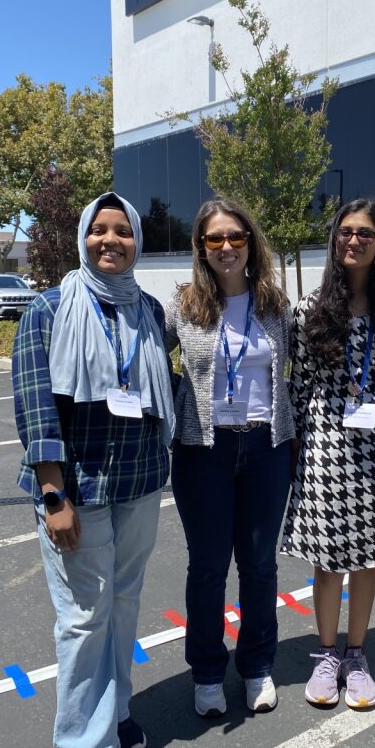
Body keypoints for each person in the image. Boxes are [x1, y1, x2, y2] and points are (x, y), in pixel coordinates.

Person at [12, 192, 175, 748]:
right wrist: (54, 495)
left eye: (122, 232)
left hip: (137, 483)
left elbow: (164, 388)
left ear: (136, 239)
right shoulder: (50, 309)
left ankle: (117, 713)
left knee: (124, 602)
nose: (111, 241)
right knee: (83, 619)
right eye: (99, 231)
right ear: (83, 238)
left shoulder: (150, 311)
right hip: (77, 489)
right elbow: (36, 406)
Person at [282, 199, 375, 710]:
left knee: (366, 559)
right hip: (325, 447)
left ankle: (356, 654)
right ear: (334, 240)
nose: (354, 240)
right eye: (345, 232)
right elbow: (300, 388)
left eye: (365, 233)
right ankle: (325, 653)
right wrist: (297, 450)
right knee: (328, 558)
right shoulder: (309, 309)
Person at [165, 198, 293, 718]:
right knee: (209, 567)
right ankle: (208, 672)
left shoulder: (274, 305)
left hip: (265, 447)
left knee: (260, 567)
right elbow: (144, 357)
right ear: (201, 247)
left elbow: (296, 373)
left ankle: (257, 665)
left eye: (235, 237)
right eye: (213, 239)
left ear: (250, 242)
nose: (225, 248)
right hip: (204, 452)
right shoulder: (182, 305)